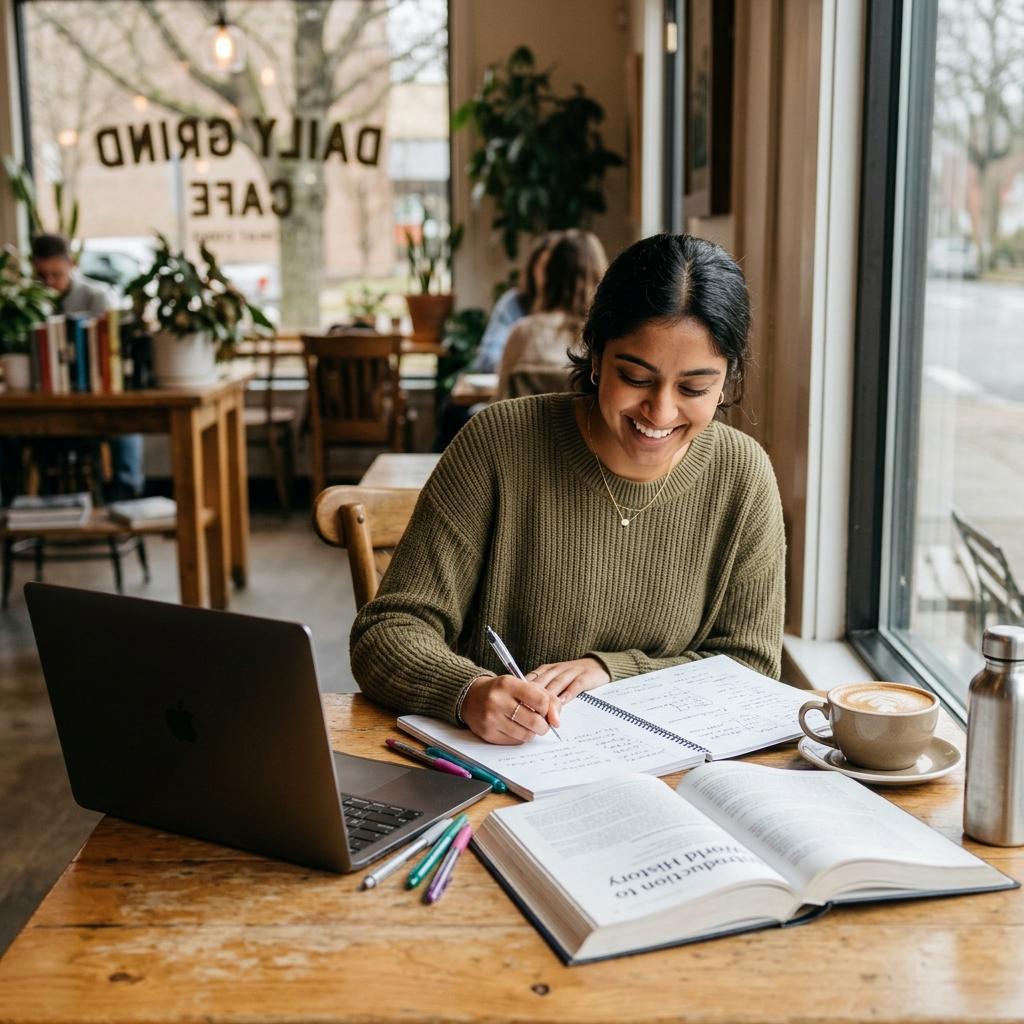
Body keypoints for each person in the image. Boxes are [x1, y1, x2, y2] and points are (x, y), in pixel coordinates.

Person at [352, 233, 785, 745]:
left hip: (668, 777)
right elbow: (387, 631)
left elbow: (751, 667)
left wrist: (614, 673)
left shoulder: (743, 474)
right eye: (635, 377)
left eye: (694, 389)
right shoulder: (499, 443)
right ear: (596, 355)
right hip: (496, 770)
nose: (661, 412)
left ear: (727, 381)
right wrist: (467, 691)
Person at [31, 234, 144, 499]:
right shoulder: (26, 300)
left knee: (127, 422)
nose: (49, 283)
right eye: (42, 276)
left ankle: (126, 499)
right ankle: (17, 509)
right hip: (45, 403)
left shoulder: (98, 297)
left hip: (94, 399)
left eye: (56, 274)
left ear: (72, 264)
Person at [495, 229, 607, 399]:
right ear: (600, 274)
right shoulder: (602, 339)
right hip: (582, 426)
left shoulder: (523, 333)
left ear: (548, 276)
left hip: (524, 426)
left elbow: (499, 404)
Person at [471, 231, 562, 373]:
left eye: (554, 270)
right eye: (544, 267)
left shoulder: (577, 311)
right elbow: (487, 358)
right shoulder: (514, 304)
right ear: (532, 268)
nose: (548, 276)